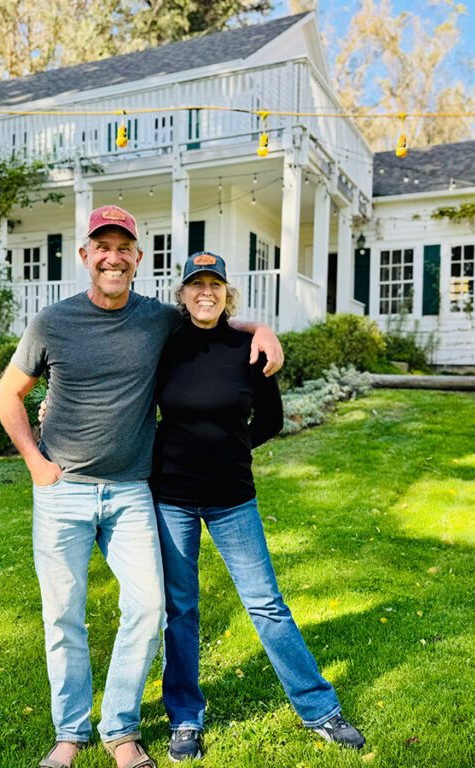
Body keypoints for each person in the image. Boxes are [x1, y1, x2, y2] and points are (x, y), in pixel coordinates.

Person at [0, 206, 282, 768]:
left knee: (149, 608)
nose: (113, 257)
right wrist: (35, 462)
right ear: (85, 256)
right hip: (63, 488)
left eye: (123, 247)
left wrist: (261, 327)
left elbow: (211, 315)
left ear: (137, 260)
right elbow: (10, 394)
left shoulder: (157, 319)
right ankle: (70, 735)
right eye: (102, 246)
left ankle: (120, 730)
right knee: (63, 616)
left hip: (130, 491)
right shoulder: (51, 322)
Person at [151, 252, 365, 761]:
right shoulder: (164, 346)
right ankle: (185, 718)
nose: (206, 292)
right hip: (171, 498)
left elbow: (271, 419)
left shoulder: (249, 348)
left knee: (266, 605)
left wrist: (233, 446)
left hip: (232, 499)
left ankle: (320, 710)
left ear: (228, 294)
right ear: (182, 294)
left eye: (215, 284)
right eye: (196, 284)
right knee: (179, 611)